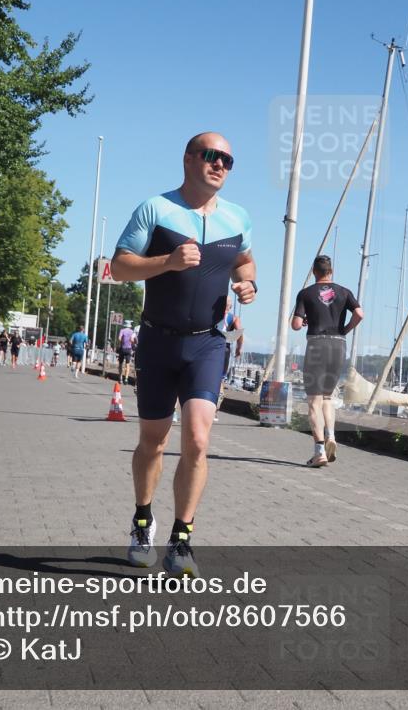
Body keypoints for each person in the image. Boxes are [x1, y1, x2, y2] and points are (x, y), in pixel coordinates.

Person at [111, 132, 255, 577]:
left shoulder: (238, 217)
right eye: (212, 156)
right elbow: (119, 266)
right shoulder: (156, 209)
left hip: (207, 343)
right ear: (189, 159)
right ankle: (142, 520)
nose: (220, 165)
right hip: (158, 341)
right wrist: (167, 262)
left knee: (197, 439)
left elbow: (244, 261)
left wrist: (248, 283)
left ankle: (181, 538)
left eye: (228, 160)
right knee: (153, 441)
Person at [291, 255, 364, 467]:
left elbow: (296, 325)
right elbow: (359, 314)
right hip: (338, 345)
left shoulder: (306, 293)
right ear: (331, 271)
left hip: (317, 344)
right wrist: (345, 330)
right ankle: (331, 434)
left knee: (314, 401)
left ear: (314, 271)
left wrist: (304, 319)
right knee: (327, 397)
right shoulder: (344, 291)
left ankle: (319, 451)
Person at [214, 307, 243, 422]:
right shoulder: (234, 318)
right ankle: (215, 411)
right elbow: (239, 333)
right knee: (220, 380)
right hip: (224, 348)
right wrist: (239, 348)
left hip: (209, 346)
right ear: (230, 307)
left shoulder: (210, 314)